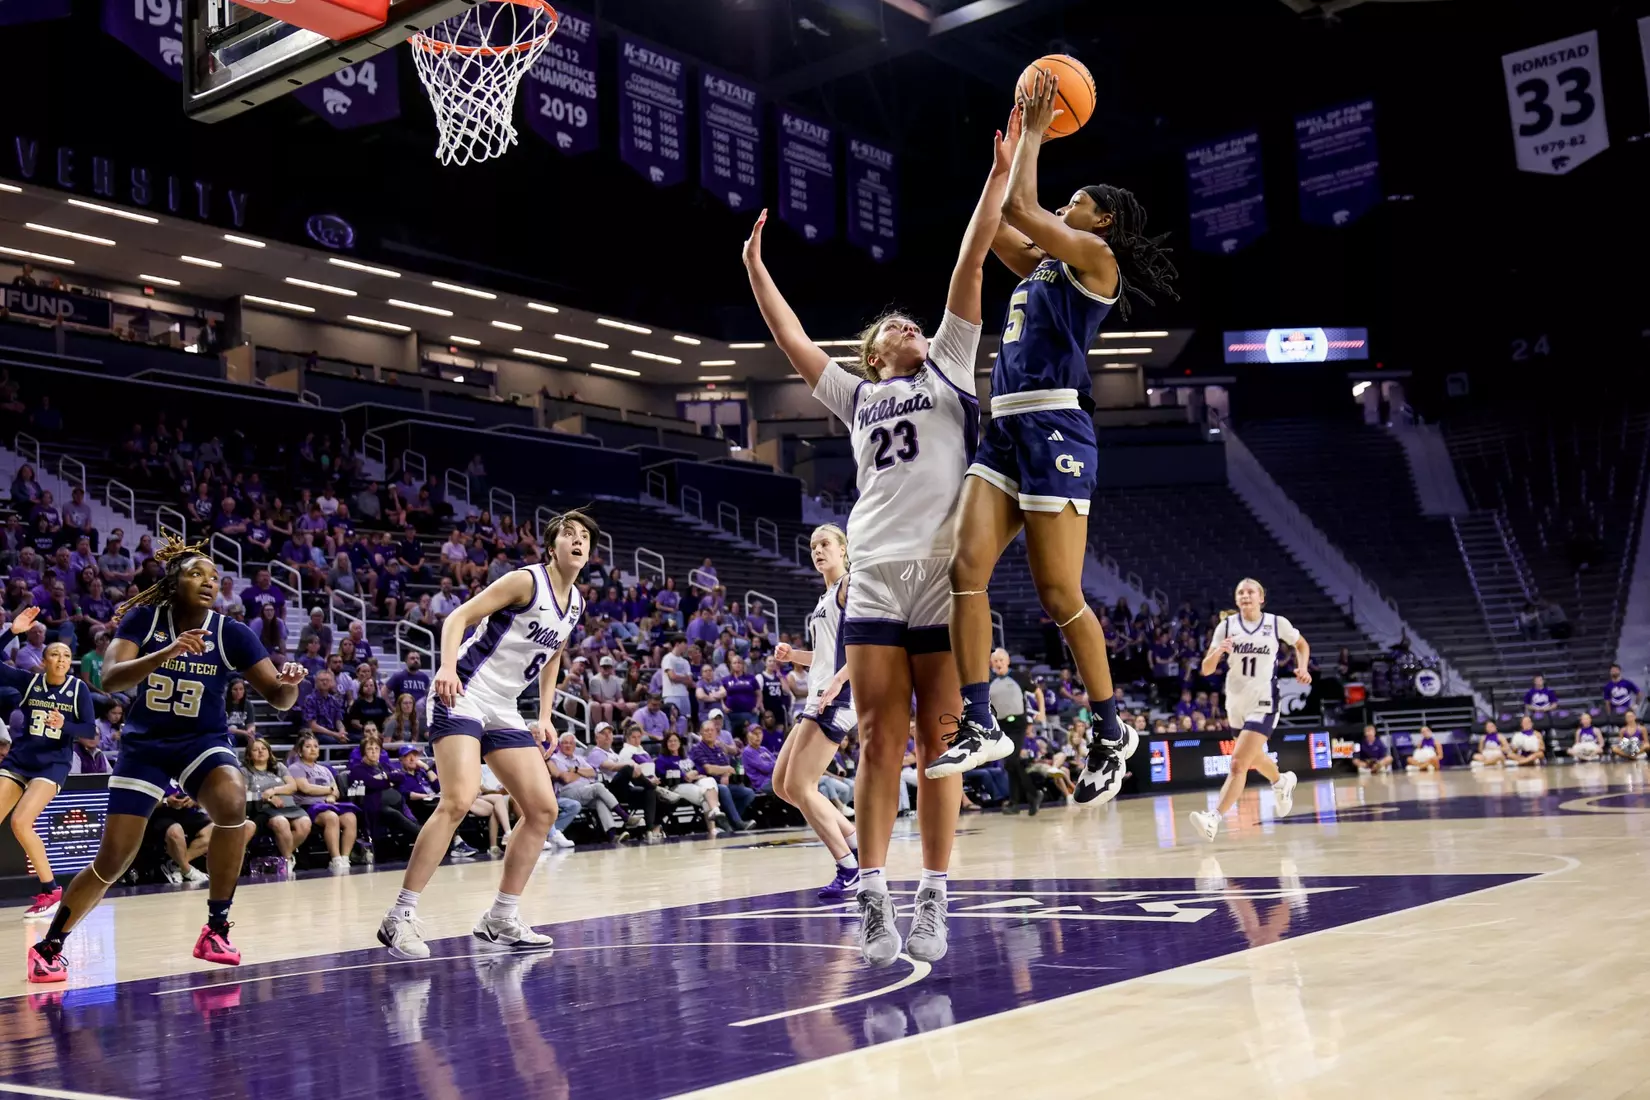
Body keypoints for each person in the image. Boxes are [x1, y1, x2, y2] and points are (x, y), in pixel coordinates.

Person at [742, 109, 1009, 968]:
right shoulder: (858, 396)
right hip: (876, 575)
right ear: (873, 349)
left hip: (941, 570)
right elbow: (789, 341)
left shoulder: (949, 367)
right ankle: (873, 894)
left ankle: (933, 896)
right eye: (895, 326)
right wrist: (755, 266)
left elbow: (971, 259)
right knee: (880, 738)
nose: (911, 327)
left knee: (940, 743)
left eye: (913, 322)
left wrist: (1000, 173)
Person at [939, 71, 1178, 808]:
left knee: (1057, 593)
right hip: (1004, 424)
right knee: (964, 570)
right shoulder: (1042, 266)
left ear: (1101, 223)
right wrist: (1003, 158)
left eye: (1078, 203)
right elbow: (991, 228)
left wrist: (1036, 139)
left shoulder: (1094, 265)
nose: (1067, 205)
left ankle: (1112, 726)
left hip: (1055, 425)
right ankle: (978, 719)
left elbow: (1023, 208)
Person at [27, 538, 306, 984]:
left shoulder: (231, 632)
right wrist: (170, 650)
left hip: (201, 741)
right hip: (146, 745)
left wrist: (290, 683)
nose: (209, 583)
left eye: (215, 578)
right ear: (174, 581)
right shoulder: (144, 619)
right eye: (198, 574)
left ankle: (216, 927)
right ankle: (49, 946)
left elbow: (279, 697)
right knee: (113, 861)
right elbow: (111, 677)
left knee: (233, 802)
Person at [377, 510, 597, 960]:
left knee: (542, 809)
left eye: (584, 537)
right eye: (569, 535)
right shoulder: (525, 581)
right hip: (465, 691)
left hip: (505, 707)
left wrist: (546, 715)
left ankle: (501, 917)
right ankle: (399, 915)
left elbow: (552, 655)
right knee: (459, 798)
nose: (578, 541)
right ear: (552, 547)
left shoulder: (575, 603)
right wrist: (446, 667)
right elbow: (458, 617)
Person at [770, 525, 861, 899]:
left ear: (843, 550)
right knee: (782, 786)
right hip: (821, 693)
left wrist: (839, 682)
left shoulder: (850, 587)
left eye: (825, 544)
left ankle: (849, 866)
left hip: (839, 694)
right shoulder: (824, 598)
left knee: (801, 786)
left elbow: (865, 646)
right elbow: (824, 656)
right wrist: (795, 657)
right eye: (812, 547)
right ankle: (856, 843)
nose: (818, 551)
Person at [1188, 579, 1309, 842]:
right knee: (1252, 758)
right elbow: (1206, 670)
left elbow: (1301, 644)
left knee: (1238, 763)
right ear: (1236, 600)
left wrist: (1303, 667)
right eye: (1240, 592)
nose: (1245, 595)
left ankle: (1214, 818)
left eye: (1250, 592)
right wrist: (1218, 651)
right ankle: (1280, 781)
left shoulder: (1277, 623)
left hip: (1264, 701)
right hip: (1235, 703)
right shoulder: (1226, 627)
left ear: (1261, 598)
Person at [0, 607, 93, 918]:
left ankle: (50, 890)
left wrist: (64, 724)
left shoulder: (78, 689)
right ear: (44, 660)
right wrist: (11, 633)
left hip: (53, 763)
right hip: (20, 759)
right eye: (55, 654)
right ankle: (49, 890)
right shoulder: (29, 682)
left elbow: (89, 732)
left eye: (66, 655)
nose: (62, 659)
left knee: (20, 822)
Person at [241, 737, 312, 873]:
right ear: (249, 755)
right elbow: (244, 793)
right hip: (263, 809)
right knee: (281, 822)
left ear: (269, 751)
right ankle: (287, 861)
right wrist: (267, 797)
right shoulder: (245, 771)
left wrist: (274, 791)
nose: (260, 752)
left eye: (263, 749)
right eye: (255, 750)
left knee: (305, 824)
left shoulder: (279, 767)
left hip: (289, 806)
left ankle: (279, 857)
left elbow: (292, 786)